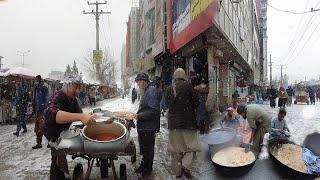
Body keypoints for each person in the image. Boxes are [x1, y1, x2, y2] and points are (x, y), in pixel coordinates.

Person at [44, 76, 97, 180]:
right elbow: (52, 114)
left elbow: (79, 115)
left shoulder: (73, 100)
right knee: (56, 159)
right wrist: (81, 117)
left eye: (79, 88)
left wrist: (88, 117)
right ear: (67, 86)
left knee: (61, 157)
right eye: (75, 88)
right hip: (53, 132)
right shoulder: (57, 96)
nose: (78, 91)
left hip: (65, 131)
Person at [166, 68, 201, 179]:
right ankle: (185, 165)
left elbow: (167, 104)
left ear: (174, 77)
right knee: (191, 148)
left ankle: (178, 173)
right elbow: (196, 103)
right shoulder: (189, 87)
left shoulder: (169, 89)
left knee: (176, 150)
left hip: (174, 124)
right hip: (188, 123)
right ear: (185, 76)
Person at [134, 73, 161, 178]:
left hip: (148, 128)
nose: (137, 84)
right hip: (144, 127)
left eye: (138, 82)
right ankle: (144, 166)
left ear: (143, 81)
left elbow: (154, 111)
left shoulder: (151, 91)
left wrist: (138, 116)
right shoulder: (146, 90)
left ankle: (147, 170)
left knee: (148, 150)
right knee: (144, 150)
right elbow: (146, 108)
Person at [32, 75, 49, 149]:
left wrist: (44, 106)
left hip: (42, 111)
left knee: (43, 127)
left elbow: (47, 98)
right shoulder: (36, 88)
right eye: (35, 80)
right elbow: (34, 99)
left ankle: (51, 141)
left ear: (39, 80)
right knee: (37, 128)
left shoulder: (44, 88)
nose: (36, 81)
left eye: (37, 80)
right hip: (37, 111)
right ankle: (39, 143)